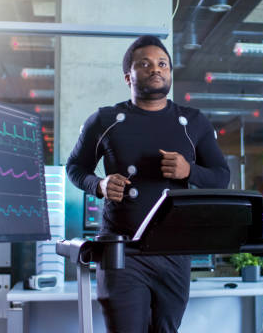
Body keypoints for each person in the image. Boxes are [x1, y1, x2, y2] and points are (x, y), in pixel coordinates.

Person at [66, 35, 230, 333]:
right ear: (128, 76)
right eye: (145, 64)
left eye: (162, 64)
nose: (156, 69)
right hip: (121, 250)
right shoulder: (104, 120)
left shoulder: (193, 121)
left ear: (169, 73)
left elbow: (221, 175)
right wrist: (100, 185)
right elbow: (75, 168)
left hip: (175, 250)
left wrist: (188, 171)